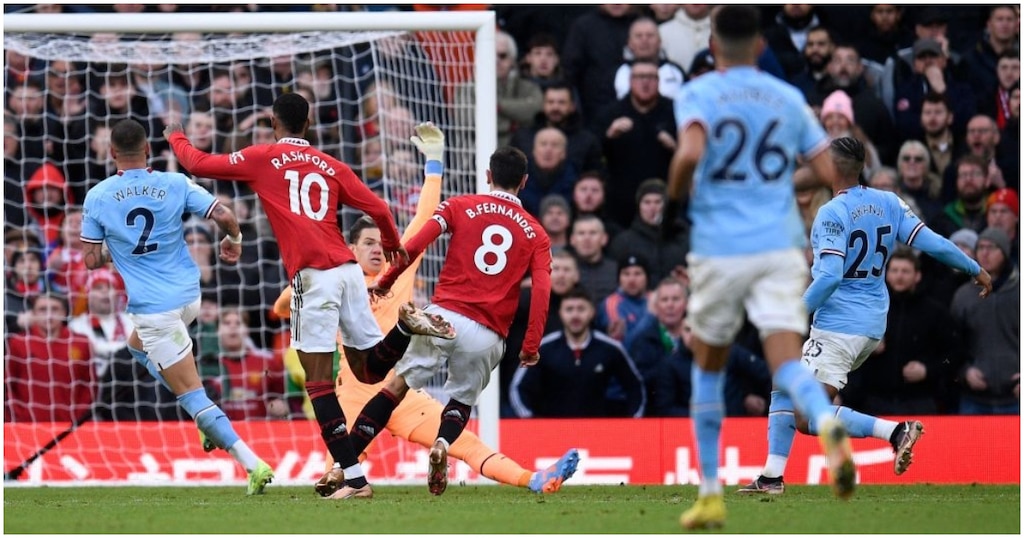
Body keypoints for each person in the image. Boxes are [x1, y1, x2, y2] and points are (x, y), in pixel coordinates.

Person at [166, 94, 456, 500]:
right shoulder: (331, 165)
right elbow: (378, 207)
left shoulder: (262, 156)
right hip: (349, 272)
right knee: (369, 370)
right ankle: (405, 330)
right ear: (309, 123)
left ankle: (355, 481)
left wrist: (175, 135)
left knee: (318, 383)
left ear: (273, 121)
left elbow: (196, 163)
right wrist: (394, 246)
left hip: (313, 277)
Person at [271, 124, 579, 497]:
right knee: (338, 483)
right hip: (352, 394)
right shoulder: (336, 281)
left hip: (403, 380)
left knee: (464, 442)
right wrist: (302, 296)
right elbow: (281, 307)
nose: (376, 249)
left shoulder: (394, 272)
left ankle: (531, 478)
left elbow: (424, 220)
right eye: (367, 243)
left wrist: (434, 164)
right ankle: (349, 479)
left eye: (379, 242)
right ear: (350, 248)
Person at [664, 6, 856, 529]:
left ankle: (709, 494)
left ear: (713, 41)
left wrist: (674, 201)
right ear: (758, 46)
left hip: (720, 245)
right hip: (779, 247)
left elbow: (689, 154)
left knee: (707, 367)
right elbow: (826, 168)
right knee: (787, 364)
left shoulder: (699, 92)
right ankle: (827, 426)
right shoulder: (788, 98)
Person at [739, 137, 992, 496]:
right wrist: (973, 267)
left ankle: (895, 432)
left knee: (807, 415)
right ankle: (771, 477)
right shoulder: (887, 202)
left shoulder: (830, 213)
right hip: (872, 321)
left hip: (840, 325)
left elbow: (828, 277)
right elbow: (931, 241)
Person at [79, 118, 274, 495]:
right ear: (149, 149)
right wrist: (234, 239)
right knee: (136, 348)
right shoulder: (174, 183)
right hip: (189, 297)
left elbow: (89, 260)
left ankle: (251, 463)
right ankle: (207, 421)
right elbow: (224, 214)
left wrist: (114, 249)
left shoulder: (99, 196)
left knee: (191, 395)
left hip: (155, 310)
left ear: (112, 153)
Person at [357, 146, 554, 497]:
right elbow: (542, 289)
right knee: (461, 402)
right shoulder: (536, 234)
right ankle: (443, 445)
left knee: (395, 386)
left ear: (488, 176)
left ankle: (348, 465)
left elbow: (415, 244)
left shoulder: (458, 205)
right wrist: (531, 345)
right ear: (524, 182)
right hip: (487, 333)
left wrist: (386, 281)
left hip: (442, 316)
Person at [510, 286, 645, 418]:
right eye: (569, 309)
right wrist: (531, 423)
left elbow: (635, 387)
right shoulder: (543, 348)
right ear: (561, 313)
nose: (575, 315)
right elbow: (518, 388)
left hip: (597, 432)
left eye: (581, 309)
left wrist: (632, 423)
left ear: (592, 312)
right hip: (553, 433)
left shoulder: (610, 348)